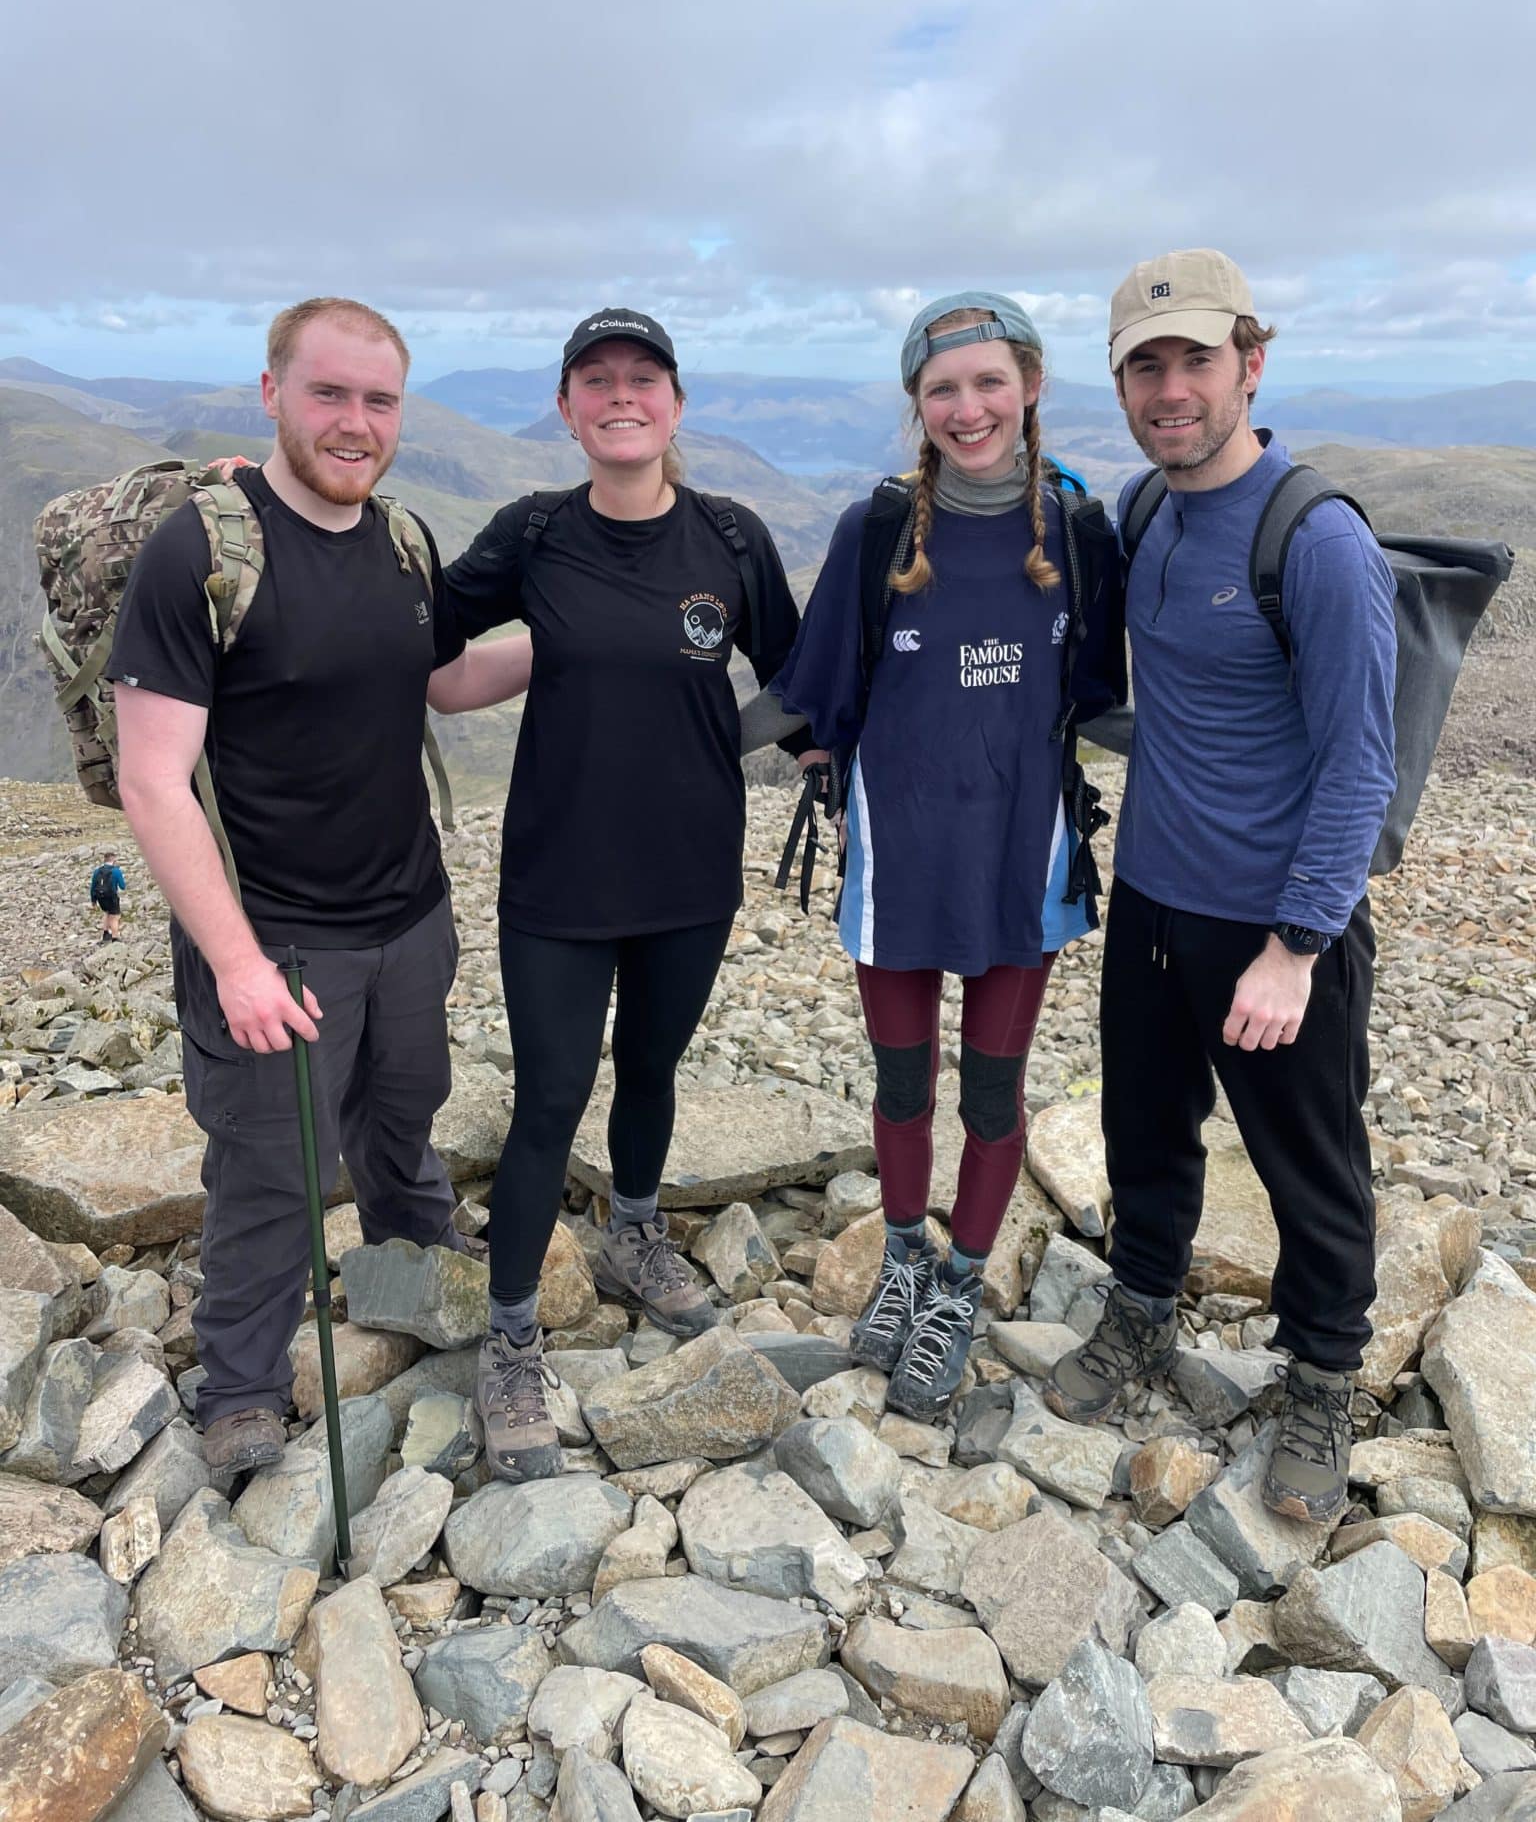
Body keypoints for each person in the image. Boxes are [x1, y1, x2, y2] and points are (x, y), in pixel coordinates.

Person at [109, 297, 529, 1486]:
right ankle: (240, 1383)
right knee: (272, 1168)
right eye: (329, 394)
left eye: (379, 400)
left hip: (409, 913)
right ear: (273, 393)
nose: (356, 422)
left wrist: (582, 634)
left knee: (405, 1106)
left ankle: (412, 1248)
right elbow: (152, 780)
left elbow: (441, 682)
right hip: (276, 941)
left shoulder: (400, 539)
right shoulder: (202, 550)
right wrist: (237, 963)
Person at [1045, 250, 1397, 1522]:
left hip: (1277, 924)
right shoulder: (1146, 512)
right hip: (1152, 897)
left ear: (1253, 362)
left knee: (1310, 1158)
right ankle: (1142, 1305)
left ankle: (1323, 1376)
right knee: (1145, 1126)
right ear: (1124, 384)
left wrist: (1297, 943)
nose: (1171, 386)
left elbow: (1362, 762)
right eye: (1147, 364)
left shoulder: (1317, 540)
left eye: (1196, 358)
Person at [440, 307, 817, 1484]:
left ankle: (634, 1234)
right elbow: (420, 640)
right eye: (595, 380)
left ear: (676, 405)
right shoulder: (535, 531)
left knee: (651, 1069)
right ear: (566, 408)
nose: (620, 396)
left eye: (642, 378)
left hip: (690, 872)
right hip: (557, 873)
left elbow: (797, 680)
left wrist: (785, 755)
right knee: (552, 1093)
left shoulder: (732, 536)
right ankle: (510, 1338)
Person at [772, 294, 1123, 1421]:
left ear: (1028, 385)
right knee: (902, 1083)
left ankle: (962, 1281)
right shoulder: (876, 532)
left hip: (1023, 852)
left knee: (993, 1087)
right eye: (942, 388)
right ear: (917, 405)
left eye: (988, 382)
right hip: (899, 851)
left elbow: (1111, 692)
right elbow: (813, 694)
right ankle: (905, 1258)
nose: (967, 408)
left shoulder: (1077, 527)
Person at [89, 850, 127, 940]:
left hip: (100, 897)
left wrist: (93, 901)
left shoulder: (97, 871)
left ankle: (105, 933)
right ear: (113, 860)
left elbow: (93, 886)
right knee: (114, 917)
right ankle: (115, 937)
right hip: (111, 897)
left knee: (106, 913)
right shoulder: (116, 871)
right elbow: (122, 886)